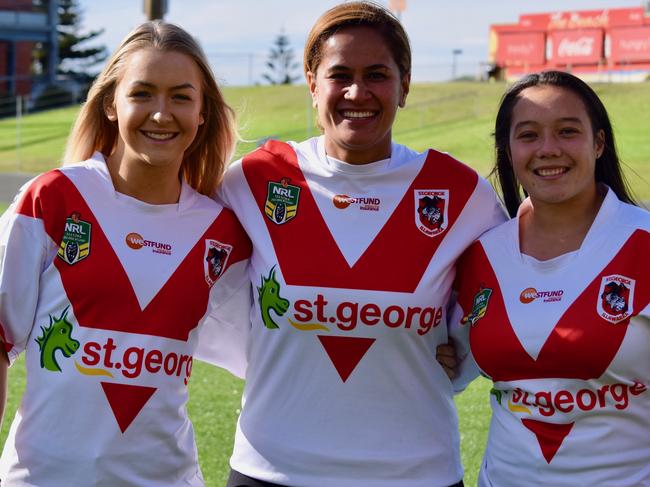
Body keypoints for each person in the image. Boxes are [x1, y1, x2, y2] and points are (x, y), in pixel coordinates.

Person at [217, 2, 505, 486]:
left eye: (377, 74)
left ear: (405, 85)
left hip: (416, 473)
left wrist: (460, 351)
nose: (357, 92)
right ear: (312, 84)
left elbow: (504, 297)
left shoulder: (461, 194)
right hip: (271, 470)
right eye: (339, 75)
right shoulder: (255, 180)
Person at [0, 21, 251, 486]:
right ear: (111, 104)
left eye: (180, 96)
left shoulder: (221, 233)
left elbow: (276, 350)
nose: (161, 114)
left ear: (202, 113)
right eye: (142, 94)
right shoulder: (53, 199)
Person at [446, 70, 649, 486]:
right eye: (528, 135)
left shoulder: (643, 244)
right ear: (508, 150)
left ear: (598, 142)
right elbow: (447, 360)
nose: (548, 149)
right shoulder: (480, 256)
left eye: (567, 131)